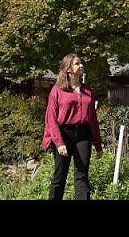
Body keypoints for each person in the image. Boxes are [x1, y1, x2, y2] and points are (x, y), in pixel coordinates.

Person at [42, 53, 103, 200]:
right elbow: (51, 119)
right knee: (60, 175)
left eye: (81, 63)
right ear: (68, 69)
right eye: (77, 63)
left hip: (83, 135)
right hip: (64, 134)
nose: (81, 65)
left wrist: (98, 145)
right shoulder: (57, 90)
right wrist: (59, 142)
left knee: (82, 175)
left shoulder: (87, 90)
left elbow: (93, 119)